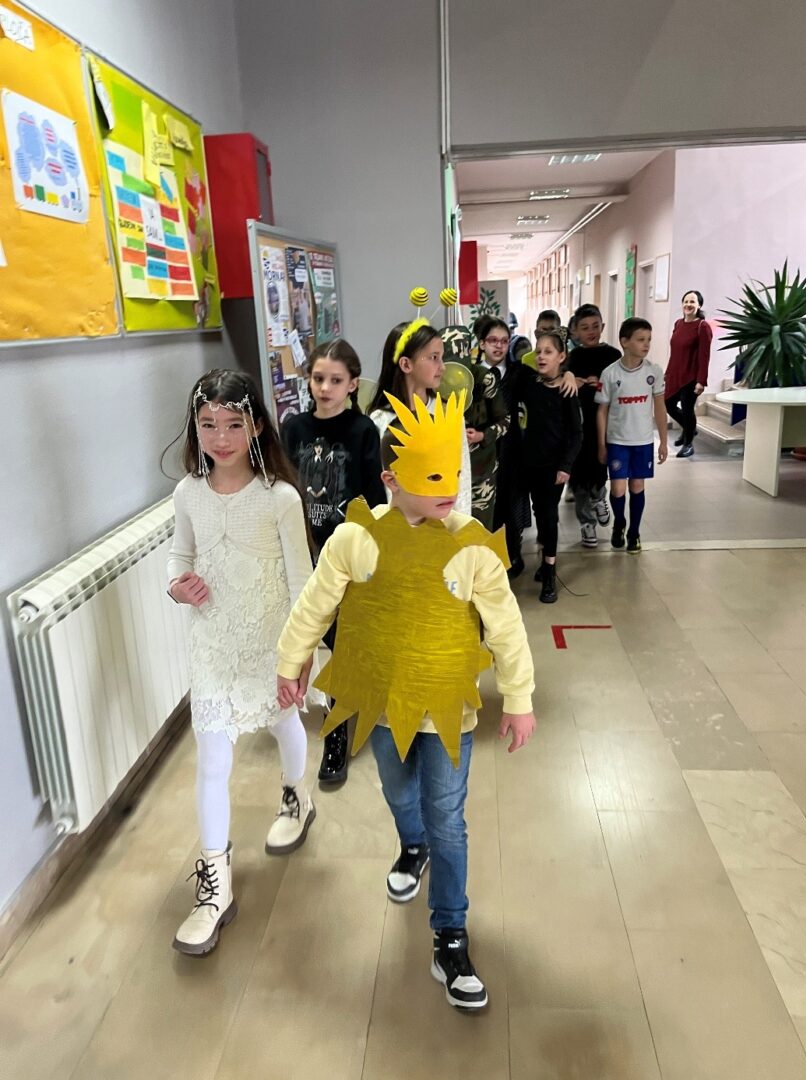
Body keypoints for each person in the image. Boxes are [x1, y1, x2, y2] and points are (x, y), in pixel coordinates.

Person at [275, 386, 536, 1010]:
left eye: (455, 472)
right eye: (434, 475)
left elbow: (505, 624)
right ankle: (410, 844)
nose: (451, 486)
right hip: (383, 703)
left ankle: (450, 932)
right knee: (398, 792)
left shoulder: (471, 544)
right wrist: (291, 661)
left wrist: (519, 696)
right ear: (392, 478)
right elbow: (314, 604)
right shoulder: (355, 539)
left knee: (449, 816)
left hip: (449, 710)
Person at [165, 370, 317, 957]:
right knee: (211, 759)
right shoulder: (187, 493)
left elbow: (303, 582)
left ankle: (297, 796)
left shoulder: (280, 498)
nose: (221, 437)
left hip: (270, 642)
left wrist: (300, 654)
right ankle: (214, 887)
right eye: (208, 424)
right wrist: (178, 586)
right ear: (195, 427)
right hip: (212, 644)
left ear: (255, 426)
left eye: (234, 424)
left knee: (283, 722)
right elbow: (178, 555)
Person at [281, 339, 387, 785]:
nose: (325, 388)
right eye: (318, 378)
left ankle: (338, 729)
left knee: (344, 642)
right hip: (305, 553)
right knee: (320, 636)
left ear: (352, 385)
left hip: (347, 556)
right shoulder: (293, 428)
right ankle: (343, 705)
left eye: (335, 380)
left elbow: (374, 498)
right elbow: (283, 489)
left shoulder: (363, 431)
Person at [368, 318, 472, 514]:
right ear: (406, 364)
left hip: (445, 522)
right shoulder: (380, 421)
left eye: (441, 357)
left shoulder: (449, 414)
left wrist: (462, 524)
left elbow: (462, 476)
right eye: (434, 357)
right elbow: (386, 485)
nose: (442, 367)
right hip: (401, 525)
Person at [513, 330, 583, 602]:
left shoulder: (567, 391)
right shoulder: (529, 383)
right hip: (529, 463)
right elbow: (512, 366)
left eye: (548, 352)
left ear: (561, 356)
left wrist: (566, 466)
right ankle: (543, 561)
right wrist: (568, 372)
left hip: (555, 468)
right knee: (538, 512)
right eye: (538, 351)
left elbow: (576, 434)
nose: (541, 356)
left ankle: (550, 571)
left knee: (549, 514)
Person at [596, 318, 668, 554]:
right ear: (624, 342)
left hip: (643, 441)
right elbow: (602, 411)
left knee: (637, 485)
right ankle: (619, 522)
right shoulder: (610, 373)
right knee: (618, 489)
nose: (646, 344)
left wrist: (663, 441)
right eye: (640, 340)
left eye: (648, 340)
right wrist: (601, 445)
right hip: (617, 441)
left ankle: (634, 532)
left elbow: (660, 407)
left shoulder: (653, 372)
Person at [566, 304, 622, 548]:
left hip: (604, 425)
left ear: (603, 327)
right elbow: (560, 388)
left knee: (599, 467)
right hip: (577, 426)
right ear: (575, 331)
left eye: (595, 326)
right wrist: (572, 382)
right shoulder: (571, 358)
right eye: (585, 327)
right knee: (578, 475)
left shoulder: (613, 356)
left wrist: (601, 385)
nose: (591, 331)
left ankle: (599, 496)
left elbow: (621, 388)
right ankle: (586, 523)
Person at [467, 317, 512, 529]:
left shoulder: (519, 372)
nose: (499, 346)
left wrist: (568, 373)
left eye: (504, 341)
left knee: (509, 516)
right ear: (482, 343)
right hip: (478, 460)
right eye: (493, 340)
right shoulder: (468, 376)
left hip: (511, 455)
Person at [665, 290, 713, 458]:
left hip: (691, 376)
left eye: (692, 302)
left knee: (687, 410)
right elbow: (675, 352)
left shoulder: (702, 326)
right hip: (675, 373)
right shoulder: (678, 324)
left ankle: (688, 444)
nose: (688, 305)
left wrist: (701, 381)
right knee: (668, 404)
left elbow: (704, 356)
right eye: (686, 301)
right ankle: (689, 429)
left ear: (699, 305)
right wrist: (667, 373)